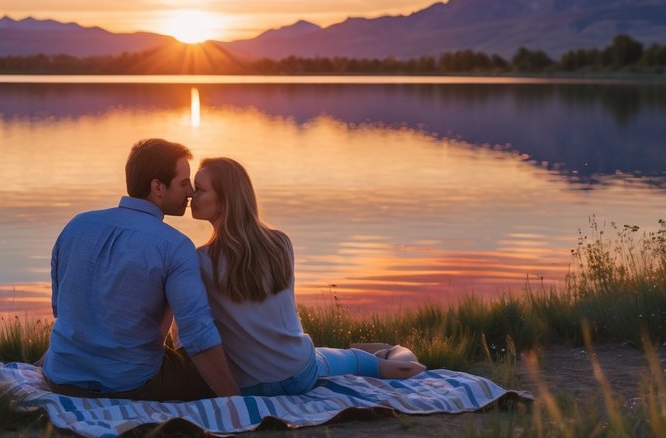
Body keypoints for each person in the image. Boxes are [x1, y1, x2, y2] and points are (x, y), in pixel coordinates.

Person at [190, 156, 425, 396]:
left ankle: (384, 354)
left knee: (348, 357)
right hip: (300, 374)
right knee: (367, 360)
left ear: (223, 202)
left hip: (252, 386)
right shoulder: (280, 244)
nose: (190, 194)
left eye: (199, 189)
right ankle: (396, 356)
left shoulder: (200, 260)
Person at [41, 139, 240, 401]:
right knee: (210, 368)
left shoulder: (77, 225)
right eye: (183, 183)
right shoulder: (175, 246)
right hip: (131, 385)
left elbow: (61, 309)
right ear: (157, 187)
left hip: (62, 378)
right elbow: (197, 334)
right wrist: (234, 399)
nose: (191, 191)